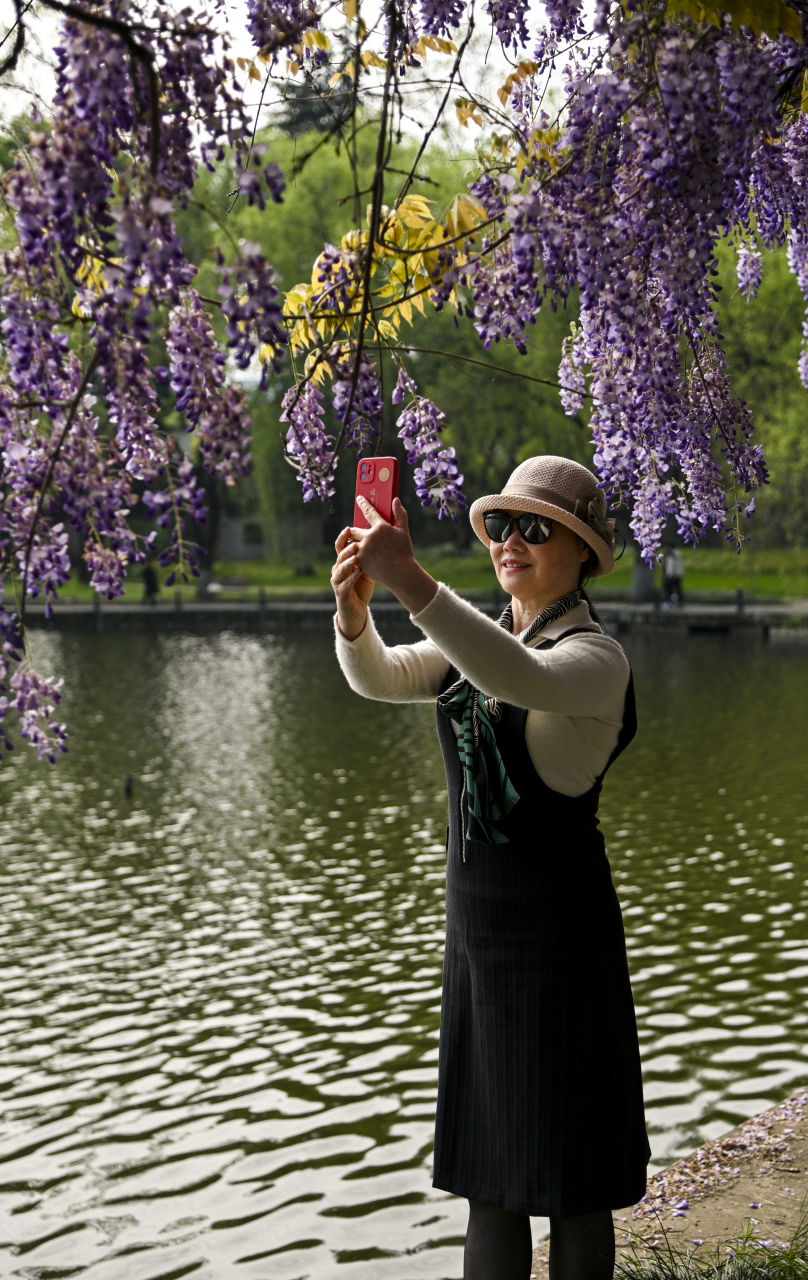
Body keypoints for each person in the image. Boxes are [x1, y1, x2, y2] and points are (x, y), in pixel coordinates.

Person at [330, 455, 649, 1280]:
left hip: (562, 945)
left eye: (535, 528)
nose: (511, 541)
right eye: (503, 526)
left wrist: (410, 578)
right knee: (491, 1186)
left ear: (580, 550)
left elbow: (522, 679)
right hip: (480, 943)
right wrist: (356, 617)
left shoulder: (595, 659)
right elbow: (382, 678)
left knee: (576, 1185)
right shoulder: (487, 642)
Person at [662, 542, 684, 606]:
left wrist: (673, 574)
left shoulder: (675, 554)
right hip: (670, 575)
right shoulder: (669, 555)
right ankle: (672, 601)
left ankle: (678, 601)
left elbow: (675, 565)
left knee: (676, 588)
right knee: (669, 588)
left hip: (675, 575)